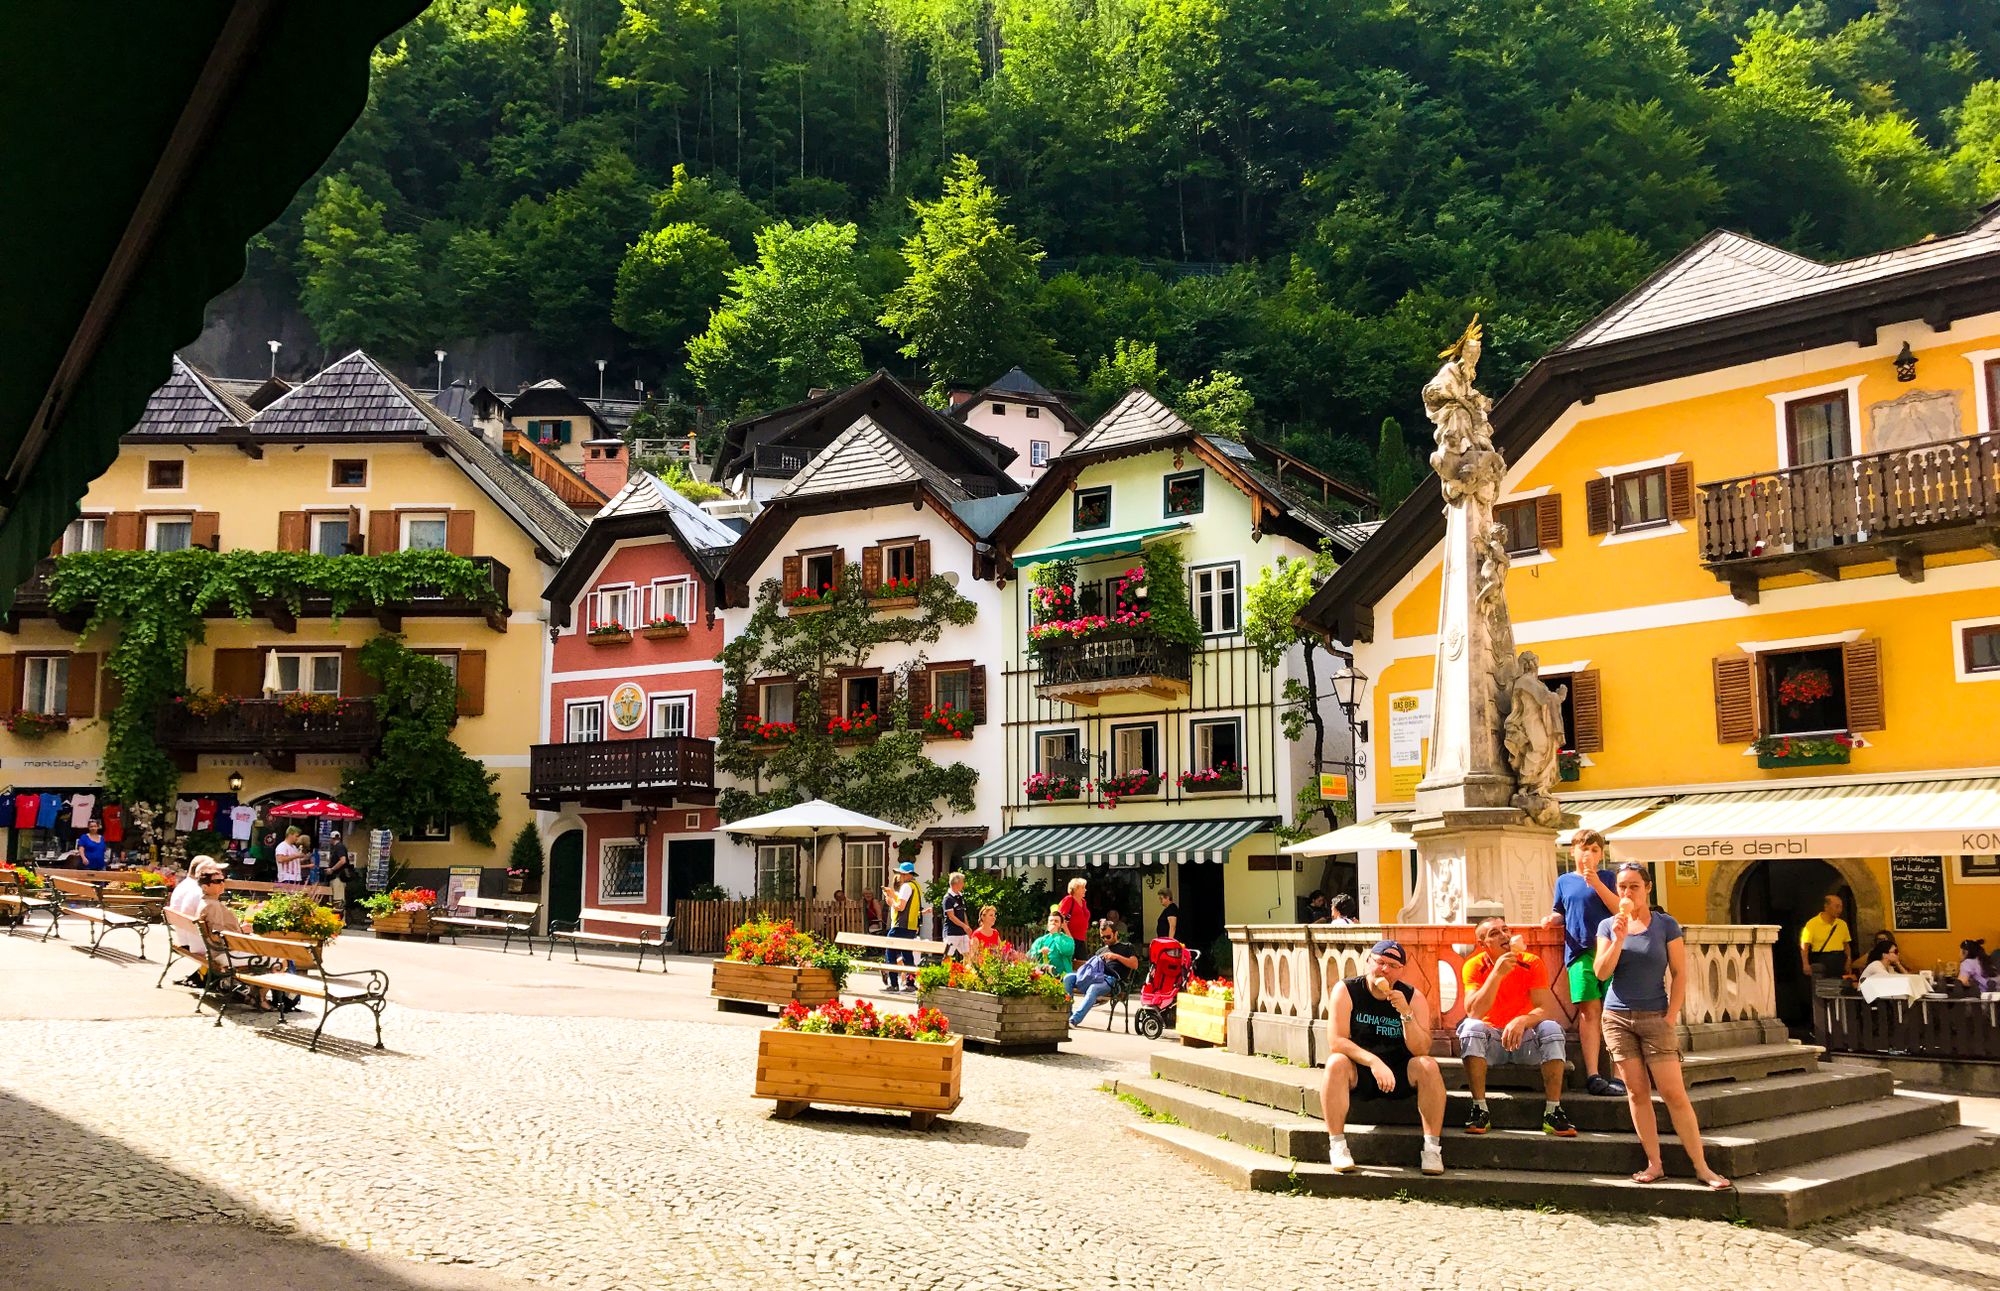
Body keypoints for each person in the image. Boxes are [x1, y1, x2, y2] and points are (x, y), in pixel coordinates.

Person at [1594, 863, 1730, 1189]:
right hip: (1617, 1017)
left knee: (1673, 1093)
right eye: (1622, 887)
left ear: (1648, 888)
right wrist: (1618, 938)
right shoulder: (1608, 925)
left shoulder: (1665, 925)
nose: (1627, 893)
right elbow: (1601, 973)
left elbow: (1680, 973)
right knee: (1636, 1092)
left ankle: (1702, 1166)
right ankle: (1654, 1164)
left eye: (1634, 887)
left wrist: (1671, 1015)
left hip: (1656, 1016)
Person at [1319, 939, 1448, 1175]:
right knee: (1335, 1062)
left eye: (1392, 965)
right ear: (1368, 962)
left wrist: (1406, 1014)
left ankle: (1432, 1150)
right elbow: (1336, 1040)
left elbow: (1421, 1049)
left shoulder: (1412, 997)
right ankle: (1337, 1145)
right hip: (1361, 1069)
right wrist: (1374, 1062)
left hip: (1400, 1070)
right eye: (1379, 962)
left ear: (1401, 971)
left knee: (1428, 1066)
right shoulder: (1348, 990)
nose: (1384, 970)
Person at [1456, 918, 1575, 1137]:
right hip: (1490, 1043)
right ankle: (1479, 1108)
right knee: (1470, 1027)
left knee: (1551, 1028)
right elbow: (1473, 1012)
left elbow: (1545, 1009)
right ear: (1482, 944)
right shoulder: (1473, 965)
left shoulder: (1531, 962)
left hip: (1524, 1040)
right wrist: (1496, 974)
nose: (1503, 936)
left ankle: (1553, 1110)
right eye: (1494, 933)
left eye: (1506, 930)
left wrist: (1522, 1020)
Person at [1544, 830, 1627, 1097]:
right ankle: (1593, 1074)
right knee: (1589, 1011)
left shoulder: (1609, 877)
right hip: (1579, 952)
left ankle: (1618, 1075)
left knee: (1614, 1012)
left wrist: (1597, 884)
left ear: (1601, 854)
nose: (1588, 854)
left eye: (1593, 849)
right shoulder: (1564, 881)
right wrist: (1552, 920)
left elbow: (1619, 909)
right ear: (1573, 852)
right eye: (1583, 848)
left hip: (1610, 950)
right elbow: (1561, 911)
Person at [1063, 928, 1139, 1026]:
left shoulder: (1127, 947)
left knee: (1093, 988)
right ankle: (1067, 1015)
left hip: (1112, 981)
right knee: (1068, 978)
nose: (1105, 940)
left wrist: (1116, 956)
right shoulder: (1100, 951)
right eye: (1103, 937)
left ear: (1116, 933)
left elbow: (1134, 965)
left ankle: (1073, 1020)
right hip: (1094, 976)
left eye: (1108, 936)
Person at [881, 861, 923, 994]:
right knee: (907, 954)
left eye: (899, 873)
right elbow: (905, 901)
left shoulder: (906, 886)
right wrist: (893, 894)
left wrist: (890, 901)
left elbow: (901, 906)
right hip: (911, 926)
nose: (899, 876)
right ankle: (910, 983)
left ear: (904, 874)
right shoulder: (915, 886)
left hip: (901, 925)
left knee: (890, 952)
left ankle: (893, 984)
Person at [1800, 892, 1855, 981]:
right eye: (1837, 906)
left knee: (1840, 987)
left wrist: (1848, 960)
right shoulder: (1812, 924)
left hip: (1839, 959)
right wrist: (1805, 964)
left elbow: (1846, 945)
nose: (1840, 910)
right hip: (1822, 959)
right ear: (1826, 906)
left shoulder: (1842, 924)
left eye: (1841, 907)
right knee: (1823, 987)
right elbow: (1805, 946)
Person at [1029, 910, 1077, 977]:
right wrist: (1040, 951)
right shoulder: (1040, 940)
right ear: (1048, 924)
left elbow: (1066, 951)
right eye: (1051, 921)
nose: (1053, 923)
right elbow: (1031, 956)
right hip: (1043, 976)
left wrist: (1055, 934)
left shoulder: (1068, 940)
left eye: (1056, 921)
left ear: (1061, 924)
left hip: (1062, 977)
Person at [940, 872, 973, 959]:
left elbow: (963, 913)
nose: (963, 884)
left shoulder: (960, 896)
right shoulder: (947, 898)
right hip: (951, 933)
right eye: (962, 882)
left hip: (962, 933)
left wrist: (967, 927)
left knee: (968, 955)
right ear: (956, 883)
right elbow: (951, 916)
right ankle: (944, 972)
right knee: (948, 956)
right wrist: (964, 926)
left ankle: (968, 972)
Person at [1057, 877, 1090, 949]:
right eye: (1083, 888)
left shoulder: (1083, 901)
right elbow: (1060, 917)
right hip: (1070, 937)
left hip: (1081, 938)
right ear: (1076, 889)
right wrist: (1068, 934)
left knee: (1082, 960)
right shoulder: (1068, 899)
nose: (1085, 890)